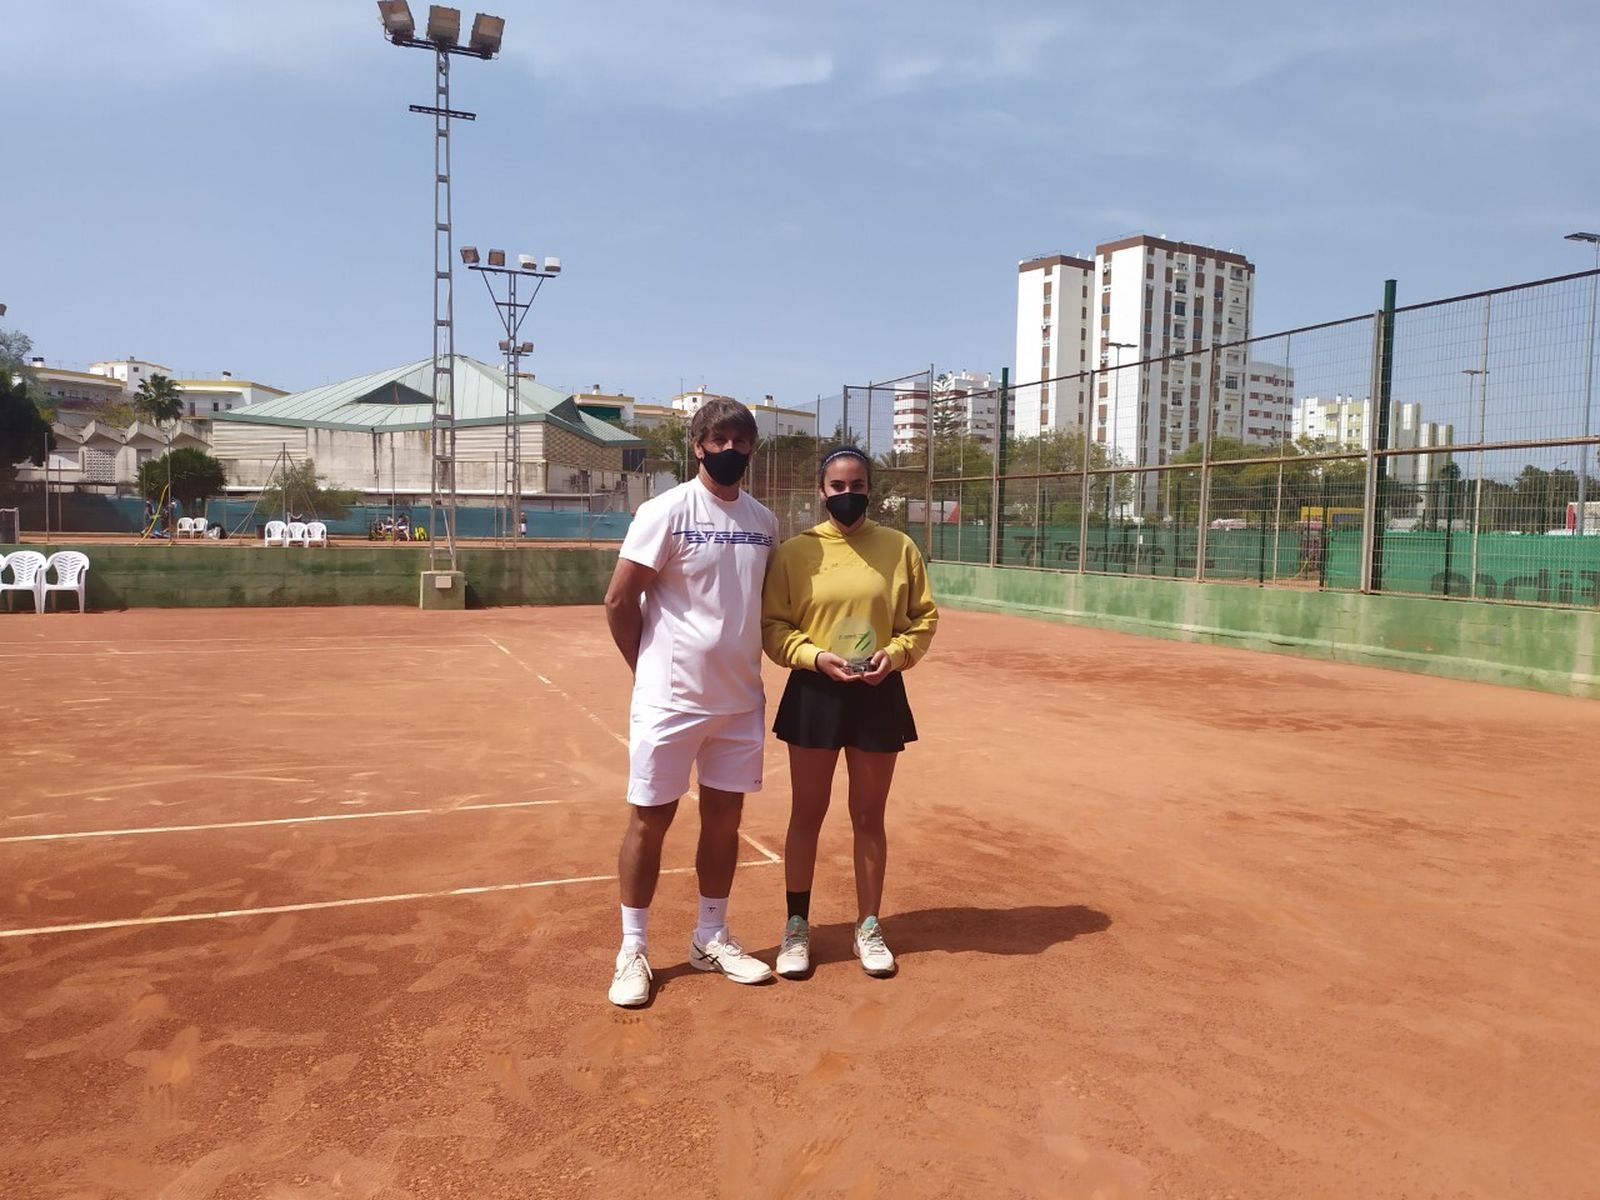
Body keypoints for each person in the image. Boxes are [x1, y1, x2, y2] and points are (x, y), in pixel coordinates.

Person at [602, 396, 779, 1008]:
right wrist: (646, 671)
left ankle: (710, 936)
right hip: (669, 701)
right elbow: (620, 602)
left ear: (753, 449)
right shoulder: (666, 510)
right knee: (651, 819)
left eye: (741, 441)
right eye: (719, 440)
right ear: (698, 445)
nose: (730, 450)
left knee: (724, 822)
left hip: (739, 702)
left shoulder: (764, 521)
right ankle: (633, 948)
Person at [761, 446, 938, 980]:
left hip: (878, 691)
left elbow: (922, 620)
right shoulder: (795, 552)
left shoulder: (899, 547)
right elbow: (774, 626)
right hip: (816, 691)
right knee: (807, 814)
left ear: (870, 489)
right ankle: (797, 928)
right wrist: (814, 657)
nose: (847, 494)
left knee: (868, 816)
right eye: (837, 486)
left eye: (857, 485)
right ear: (822, 491)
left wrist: (897, 655)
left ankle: (868, 926)